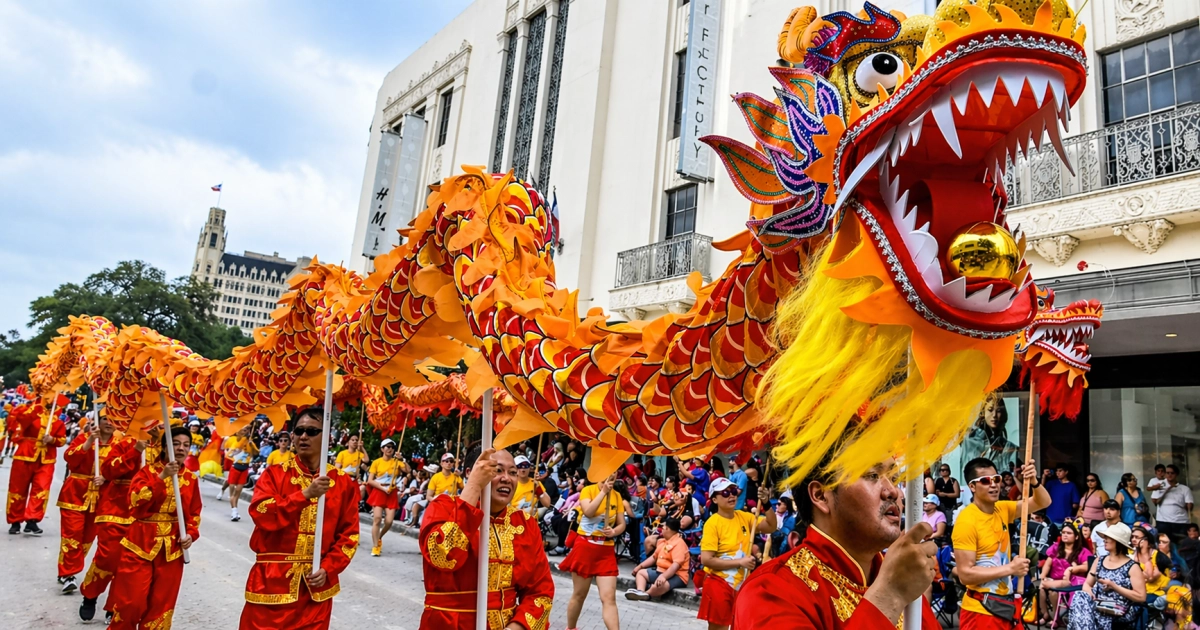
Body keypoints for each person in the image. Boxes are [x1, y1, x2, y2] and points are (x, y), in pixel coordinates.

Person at [733, 455, 940, 628]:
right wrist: (889, 596)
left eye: (893, 477)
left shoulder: (900, 577)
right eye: (872, 475)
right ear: (821, 496)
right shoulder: (771, 591)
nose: (893, 491)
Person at [238, 407, 360, 629]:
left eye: (312, 431)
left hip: (315, 589)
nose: (304, 436)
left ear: (327, 439)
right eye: (299, 430)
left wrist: (328, 568)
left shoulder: (343, 484)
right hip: (271, 583)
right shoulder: (274, 474)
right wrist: (305, 495)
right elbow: (261, 513)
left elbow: (349, 535)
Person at [418, 448, 553, 628]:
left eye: (512, 472)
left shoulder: (525, 524)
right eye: (497, 470)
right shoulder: (443, 508)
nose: (507, 478)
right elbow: (443, 556)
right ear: (472, 472)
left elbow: (540, 591)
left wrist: (516, 627)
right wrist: (473, 487)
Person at [107, 426, 201, 629]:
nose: (181, 449)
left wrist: (191, 535)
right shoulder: (147, 472)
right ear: (164, 447)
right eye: (175, 444)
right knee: (131, 603)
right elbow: (135, 502)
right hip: (139, 545)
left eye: (186, 445)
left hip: (172, 551)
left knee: (161, 607)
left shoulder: (191, 480)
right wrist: (162, 477)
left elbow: (194, 514)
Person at [954, 456, 1051, 629]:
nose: (993, 485)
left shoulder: (1002, 508)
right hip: (981, 610)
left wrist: (1034, 481)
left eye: (996, 479)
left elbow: (1043, 502)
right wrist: (1010, 569)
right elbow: (965, 574)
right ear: (972, 487)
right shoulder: (966, 521)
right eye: (985, 480)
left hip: (1005, 605)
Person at [79, 426, 141, 623]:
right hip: (114, 508)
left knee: (128, 564)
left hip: (143, 514)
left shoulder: (163, 449)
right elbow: (109, 470)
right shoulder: (123, 443)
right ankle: (90, 593)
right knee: (108, 557)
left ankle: (115, 606)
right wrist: (136, 451)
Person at [699, 477, 776, 630]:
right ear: (714, 499)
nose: (732, 495)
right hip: (719, 583)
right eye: (725, 493)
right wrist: (739, 563)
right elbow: (706, 560)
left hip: (741, 585)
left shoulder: (744, 517)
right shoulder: (712, 523)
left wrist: (766, 504)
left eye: (733, 491)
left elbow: (771, 526)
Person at [560, 472, 626, 630]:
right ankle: (571, 627)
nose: (611, 474)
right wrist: (603, 491)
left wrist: (614, 531)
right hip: (585, 546)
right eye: (607, 471)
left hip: (606, 549)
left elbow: (621, 524)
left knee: (609, 598)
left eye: (615, 471)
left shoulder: (617, 496)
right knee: (579, 594)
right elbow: (588, 511)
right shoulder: (588, 490)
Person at [56, 416, 103, 594]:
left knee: (88, 537)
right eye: (103, 420)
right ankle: (69, 574)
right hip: (75, 493)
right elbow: (70, 457)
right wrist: (90, 440)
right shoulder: (83, 438)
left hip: (101, 497)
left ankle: (66, 567)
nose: (107, 424)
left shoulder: (118, 444)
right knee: (72, 534)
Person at [1067, 523, 1146, 629]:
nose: (1104, 540)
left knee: (1086, 611)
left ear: (1118, 542)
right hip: (1098, 603)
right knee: (1080, 596)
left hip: (1119, 609)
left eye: (1108, 538)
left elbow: (1141, 597)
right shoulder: (1099, 560)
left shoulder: (1132, 567)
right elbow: (1087, 584)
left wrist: (1114, 586)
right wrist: (1091, 595)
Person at [6, 402, 67, 536]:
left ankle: (32, 520)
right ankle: (15, 521)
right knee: (18, 489)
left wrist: (52, 439)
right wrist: (36, 406)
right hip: (25, 456)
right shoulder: (31, 412)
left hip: (46, 459)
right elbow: (20, 419)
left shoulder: (58, 421)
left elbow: (62, 439)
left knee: (41, 489)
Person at [1037, 521, 1092, 624]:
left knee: (1052, 591)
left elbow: (1086, 566)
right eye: (1063, 532)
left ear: (1076, 537)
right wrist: (1042, 576)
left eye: (1069, 533)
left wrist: (1072, 569)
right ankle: (1045, 614)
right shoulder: (1056, 547)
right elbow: (1048, 563)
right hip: (1054, 579)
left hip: (1071, 581)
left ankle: (1056, 618)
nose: (1065, 535)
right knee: (1041, 588)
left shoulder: (1083, 551)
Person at [626, 517, 689, 601]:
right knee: (641, 573)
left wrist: (664, 576)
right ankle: (640, 591)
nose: (661, 530)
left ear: (667, 529)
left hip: (677, 576)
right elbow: (653, 557)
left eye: (663, 528)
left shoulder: (679, 544)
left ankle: (647, 594)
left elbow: (676, 565)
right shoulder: (663, 541)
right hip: (660, 571)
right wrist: (640, 566)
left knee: (660, 585)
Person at [960, 394, 1019, 471]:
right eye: (990, 410)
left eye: (998, 411)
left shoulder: (1010, 448)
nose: (994, 415)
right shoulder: (968, 438)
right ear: (983, 412)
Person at [366, 438, 403, 557]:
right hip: (379, 491)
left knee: (389, 521)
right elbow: (370, 480)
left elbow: (407, 470)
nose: (389, 449)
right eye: (387, 447)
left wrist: (402, 460)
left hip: (391, 492)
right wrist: (383, 489)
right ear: (382, 449)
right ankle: (375, 546)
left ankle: (380, 537)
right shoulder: (376, 462)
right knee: (377, 519)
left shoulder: (397, 461)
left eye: (392, 447)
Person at [223, 425, 258, 522]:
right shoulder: (236, 441)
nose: (245, 431)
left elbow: (256, 453)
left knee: (238, 492)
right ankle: (234, 511)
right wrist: (237, 450)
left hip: (245, 468)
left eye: (247, 429)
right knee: (233, 490)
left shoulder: (250, 442)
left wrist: (250, 445)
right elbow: (230, 453)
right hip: (235, 467)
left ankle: (235, 510)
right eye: (243, 429)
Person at [1154, 465, 1195, 542]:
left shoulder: (1184, 489)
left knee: (1181, 545)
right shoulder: (1159, 487)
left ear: (1176, 474)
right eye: (1167, 473)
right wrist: (1167, 489)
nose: (1169, 475)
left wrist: (1189, 505)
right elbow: (1156, 502)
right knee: (1163, 544)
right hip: (1163, 521)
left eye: (1172, 473)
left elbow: (1189, 506)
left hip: (1180, 522)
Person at [510, 454, 550, 519]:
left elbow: (547, 504)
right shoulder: (510, 483)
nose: (523, 469)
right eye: (519, 466)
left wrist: (538, 488)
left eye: (526, 466)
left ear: (529, 468)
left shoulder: (535, 482)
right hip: (515, 520)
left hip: (532, 521)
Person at [335, 434, 369, 503]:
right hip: (343, 479)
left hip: (354, 480)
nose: (355, 441)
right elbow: (336, 469)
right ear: (348, 442)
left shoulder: (359, 454)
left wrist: (362, 447)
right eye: (352, 440)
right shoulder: (342, 454)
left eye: (356, 440)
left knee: (355, 499)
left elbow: (366, 460)